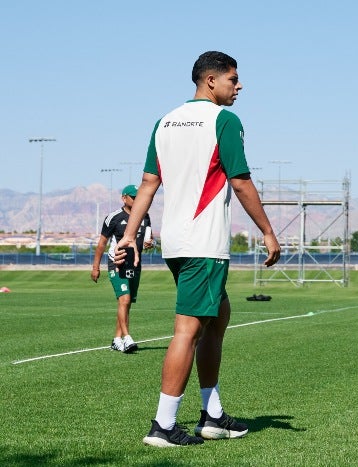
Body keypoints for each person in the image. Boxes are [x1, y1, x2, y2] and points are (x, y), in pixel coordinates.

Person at [115, 51, 281, 447]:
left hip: (175, 241)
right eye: (233, 79)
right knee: (188, 331)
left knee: (219, 314)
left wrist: (128, 235)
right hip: (204, 242)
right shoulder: (225, 120)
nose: (238, 87)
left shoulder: (164, 121)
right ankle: (163, 425)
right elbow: (240, 182)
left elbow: (148, 182)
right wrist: (268, 231)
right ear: (211, 81)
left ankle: (213, 414)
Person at [91, 184, 154, 353]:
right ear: (124, 198)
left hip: (134, 264)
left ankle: (116, 339)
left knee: (127, 304)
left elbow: (149, 238)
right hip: (117, 263)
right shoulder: (113, 217)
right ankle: (127, 338)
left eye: (139, 196)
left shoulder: (145, 216)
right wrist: (95, 267)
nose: (137, 200)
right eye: (134, 197)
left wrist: (150, 243)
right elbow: (102, 244)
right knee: (124, 300)